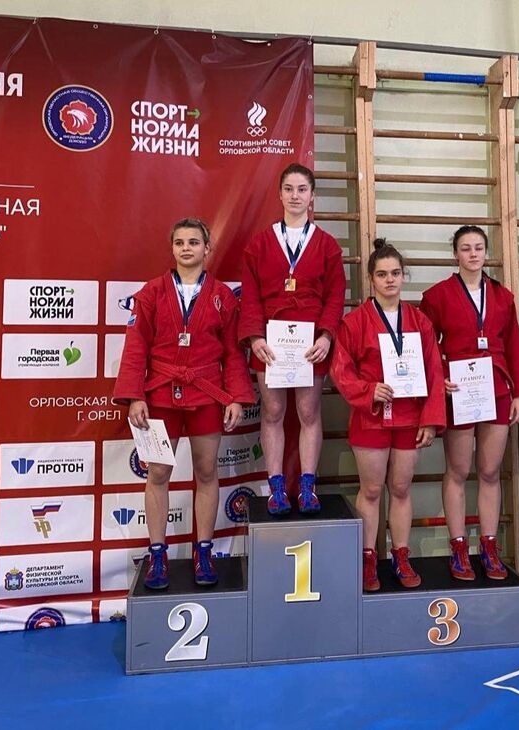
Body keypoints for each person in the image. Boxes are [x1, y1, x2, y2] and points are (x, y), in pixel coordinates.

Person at [114, 218, 255, 590]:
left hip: (207, 393)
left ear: (207, 249)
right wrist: (135, 396)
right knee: (158, 473)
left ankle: (203, 551)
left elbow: (233, 353)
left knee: (206, 472)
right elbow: (136, 347)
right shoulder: (151, 293)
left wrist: (236, 397)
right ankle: (157, 554)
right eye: (180, 242)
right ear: (172, 248)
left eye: (194, 242)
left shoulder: (223, 296)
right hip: (160, 394)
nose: (186, 248)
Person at [420, 225, 519, 581]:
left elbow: (514, 345)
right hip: (459, 389)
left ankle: (489, 546)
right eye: (465, 248)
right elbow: (426, 344)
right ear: (455, 254)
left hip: (497, 389)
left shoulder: (502, 296)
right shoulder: (437, 296)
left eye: (478, 248)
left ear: (486, 253)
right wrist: (440, 376)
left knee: (489, 472)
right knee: (457, 471)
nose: (472, 254)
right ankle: (458, 547)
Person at [331, 239, 445, 591]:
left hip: (410, 417)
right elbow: (340, 370)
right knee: (370, 490)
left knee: (401, 488)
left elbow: (434, 370)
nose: (390, 280)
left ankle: (401, 555)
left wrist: (430, 419)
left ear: (403, 276)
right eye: (382, 274)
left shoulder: (420, 321)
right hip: (371, 417)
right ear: (371, 279)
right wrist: (368, 390)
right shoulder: (354, 322)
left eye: (395, 273)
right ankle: (368, 558)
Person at [239, 163, 345, 515]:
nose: (295, 195)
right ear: (280, 194)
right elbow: (250, 296)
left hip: (311, 343)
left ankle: (308, 487)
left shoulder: (327, 245)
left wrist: (327, 335)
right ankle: (276, 489)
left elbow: (335, 295)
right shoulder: (259, 243)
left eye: (302, 189)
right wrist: (255, 338)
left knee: (308, 411)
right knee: (272, 411)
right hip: (270, 341)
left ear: (312, 196)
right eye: (289, 189)